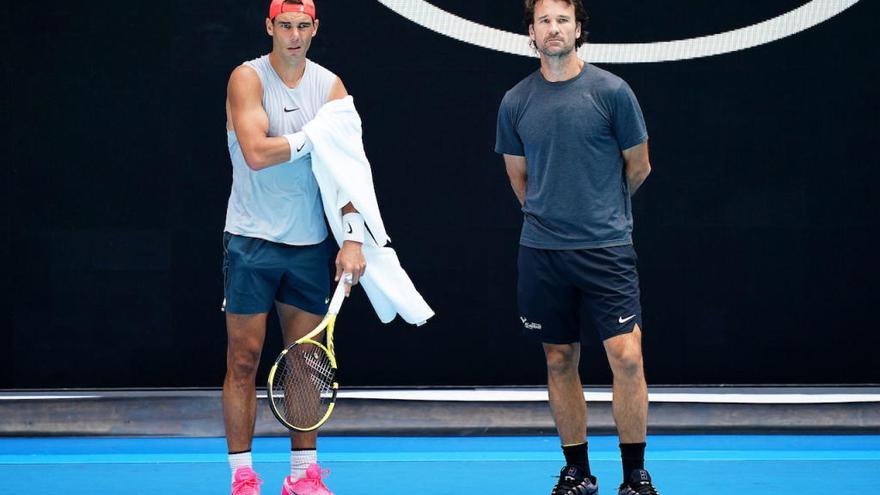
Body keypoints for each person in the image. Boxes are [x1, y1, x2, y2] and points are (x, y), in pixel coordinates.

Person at [495, 1, 660, 494]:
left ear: (578, 29)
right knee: (559, 359)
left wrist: (598, 209)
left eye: (562, 19)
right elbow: (518, 176)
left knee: (627, 356)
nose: (553, 28)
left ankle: (635, 476)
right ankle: (578, 472)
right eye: (544, 20)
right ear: (531, 32)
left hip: (606, 248)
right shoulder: (515, 101)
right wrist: (555, 214)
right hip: (543, 253)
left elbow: (640, 165)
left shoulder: (613, 92)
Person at [221, 1, 365, 494]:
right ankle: (242, 475)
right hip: (250, 241)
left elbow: (346, 171)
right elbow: (257, 154)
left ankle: (303, 476)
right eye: (286, 25)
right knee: (243, 360)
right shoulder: (247, 78)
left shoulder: (330, 88)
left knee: (304, 363)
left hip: (307, 246)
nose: (295, 35)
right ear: (270, 27)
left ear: (315, 28)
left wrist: (351, 237)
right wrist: (314, 137)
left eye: (304, 26)